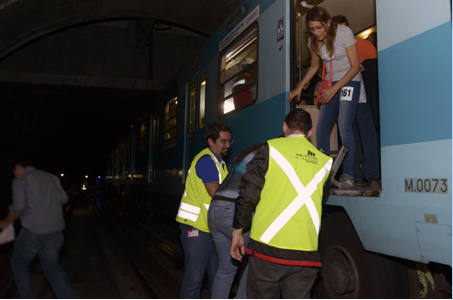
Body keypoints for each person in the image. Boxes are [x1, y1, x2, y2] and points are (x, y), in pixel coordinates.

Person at [231, 108, 333, 298]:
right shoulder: (325, 162)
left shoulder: (269, 148)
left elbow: (247, 193)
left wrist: (237, 230)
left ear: (285, 126)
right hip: (305, 255)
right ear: (310, 132)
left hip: (266, 252)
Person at [287, 7, 361, 189]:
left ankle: (348, 174)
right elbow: (313, 67)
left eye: (319, 27)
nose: (316, 32)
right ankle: (325, 173)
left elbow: (355, 67)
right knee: (321, 128)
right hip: (330, 85)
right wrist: (299, 87)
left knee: (344, 126)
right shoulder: (314, 42)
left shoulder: (344, 33)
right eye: (312, 29)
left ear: (328, 22)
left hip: (349, 81)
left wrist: (335, 89)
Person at [0, 158, 78, 299]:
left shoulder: (21, 180)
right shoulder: (51, 176)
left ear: (18, 167)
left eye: (14, 172)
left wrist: (5, 221)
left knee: (18, 263)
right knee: (51, 266)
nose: (14, 175)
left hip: (33, 231)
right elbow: (64, 199)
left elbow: (18, 208)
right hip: (56, 231)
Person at [175, 123, 232, 299]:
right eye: (223, 141)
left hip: (211, 230)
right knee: (194, 280)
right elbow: (215, 193)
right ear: (210, 141)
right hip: (197, 229)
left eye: (229, 141)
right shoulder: (207, 161)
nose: (228, 145)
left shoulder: (219, 163)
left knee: (217, 277)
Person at [331, 15, 380, 188]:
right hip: (344, 100)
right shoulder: (331, 50)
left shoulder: (364, 45)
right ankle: (354, 176)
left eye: (344, 29)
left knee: (368, 136)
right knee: (350, 139)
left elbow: (376, 73)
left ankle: (373, 175)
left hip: (363, 99)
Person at [208, 144, 262, 299]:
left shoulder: (247, 155)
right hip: (231, 210)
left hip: (215, 210)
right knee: (258, 259)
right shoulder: (267, 154)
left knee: (226, 269)